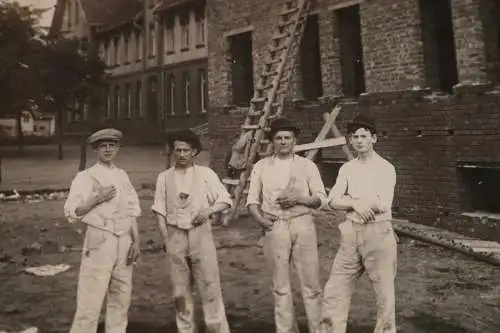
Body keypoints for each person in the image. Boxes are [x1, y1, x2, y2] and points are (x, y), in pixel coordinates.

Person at [246, 118, 327, 333]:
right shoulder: (261, 166)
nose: (283, 142)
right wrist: (261, 220)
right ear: (272, 141)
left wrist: (299, 199)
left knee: (311, 284)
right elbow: (252, 201)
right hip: (276, 226)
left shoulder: (307, 165)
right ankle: (286, 330)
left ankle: (318, 329)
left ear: (294, 140)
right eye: (279, 138)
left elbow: (320, 199)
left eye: (288, 138)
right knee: (280, 286)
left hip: (303, 224)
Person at [318, 115, 397, 333]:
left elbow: (383, 203)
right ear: (350, 141)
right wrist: (355, 203)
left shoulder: (385, 168)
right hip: (351, 234)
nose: (359, 141)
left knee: (384, 295)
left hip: (378, 234)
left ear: (374, 139)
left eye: (364, 136)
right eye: (355, 137)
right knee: (334, 291)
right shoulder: (347, 169)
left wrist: (352, 202)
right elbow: (332, 200)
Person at [152, 129, 233, 333]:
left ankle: (217, 328)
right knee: (180, 289)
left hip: (201, 235)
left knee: (209, 285)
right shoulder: (164, 177)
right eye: (177, 150)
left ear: (194, 151)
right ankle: (186, 329)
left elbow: (225, 200)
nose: (180, 154)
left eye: (185, 150)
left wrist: (208, 211)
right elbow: (159, 211)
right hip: (175, 234)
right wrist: (166, 240)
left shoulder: (206, 174)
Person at [63, 128, 141, 333]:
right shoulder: (85, 177)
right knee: (91, 299)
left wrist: (137, 242)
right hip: (100, 240)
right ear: (96, 149)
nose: (108, 150)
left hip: (124, 240)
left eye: (112, 146)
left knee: (121, 297)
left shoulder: (122, 175)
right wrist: (97, 198)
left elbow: (132, 210)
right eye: (103, 146)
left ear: (118, 148)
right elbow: (72, 212)